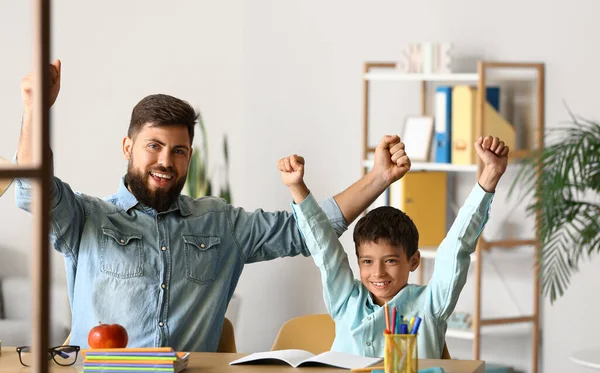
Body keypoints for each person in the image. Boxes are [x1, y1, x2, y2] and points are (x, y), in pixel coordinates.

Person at [14, 60, 409, 351]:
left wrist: (378, 178)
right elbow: (32, 191)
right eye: (154, 146)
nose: (166, 161)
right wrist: (35, 110)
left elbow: (306, 230)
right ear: (127, 147)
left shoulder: (219, 223)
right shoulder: (86, 218)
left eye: (179, 150)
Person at [279, 135, 509, 358]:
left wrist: (490, 175)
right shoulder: (346, 299)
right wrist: (296, 187)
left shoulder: (430, 304)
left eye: (390, 261)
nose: (378, 273)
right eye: (367, 262)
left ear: (413, 261)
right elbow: (324, 248)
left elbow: (457, 247)